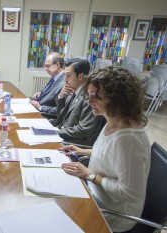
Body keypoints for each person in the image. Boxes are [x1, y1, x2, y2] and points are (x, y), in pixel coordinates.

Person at [61, 66, 150, 232]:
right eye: (89, 95)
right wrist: (82, 151)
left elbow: (129, 193)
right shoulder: (113, 120)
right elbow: (110, 156)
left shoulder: (128, 140)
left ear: (118, 99)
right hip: (96, 193)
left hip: (114, 213)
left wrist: (89, 174)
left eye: (96, 97)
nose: (89, 102)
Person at [51, 58, 105, 146]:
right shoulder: (72, 91)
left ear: (80, 76)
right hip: (63, 134)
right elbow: (60, 116)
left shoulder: (90, 99)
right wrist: (60, 97)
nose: (65, 79)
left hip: (74, 143)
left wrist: (55, 131)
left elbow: (83, 129)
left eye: (68, 75)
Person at [30, 52, 65, 119]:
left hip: (46, 116)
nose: (45, 69)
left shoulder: (64, 83)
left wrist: (40, 107)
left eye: (47, 66)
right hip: (37, 108)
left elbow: (61, 110)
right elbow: (49, 91)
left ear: (58, 65)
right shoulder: (54, 77)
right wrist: (41, 92)